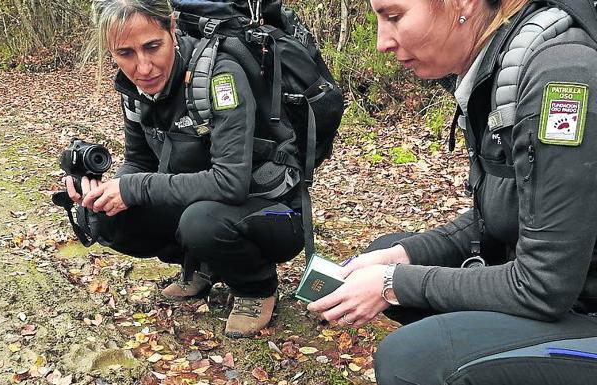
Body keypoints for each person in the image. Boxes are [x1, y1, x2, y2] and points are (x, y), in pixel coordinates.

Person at [308, 0, 597, 383]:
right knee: (389, 251)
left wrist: (393, 284)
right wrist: (402, 256)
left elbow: (543, 286)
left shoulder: (560, 79)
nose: (382, 42)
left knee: (413, 359)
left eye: (394, 16)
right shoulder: (502, 68)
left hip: (578, 305)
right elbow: (502, 214)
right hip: (567, 291)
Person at [65, 0, 304, 338]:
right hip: (206, 204)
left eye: (152, 46)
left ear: (172, 30)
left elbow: (230, 183)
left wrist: (134, 188)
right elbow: (140, 162)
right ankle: (201, 266)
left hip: (271, 211)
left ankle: (256, 288)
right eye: (125, 54)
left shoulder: (220, 77)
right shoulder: (134, 91)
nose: (143, 67)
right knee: (104, 217)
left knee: (201, 222)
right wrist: (104, 192)